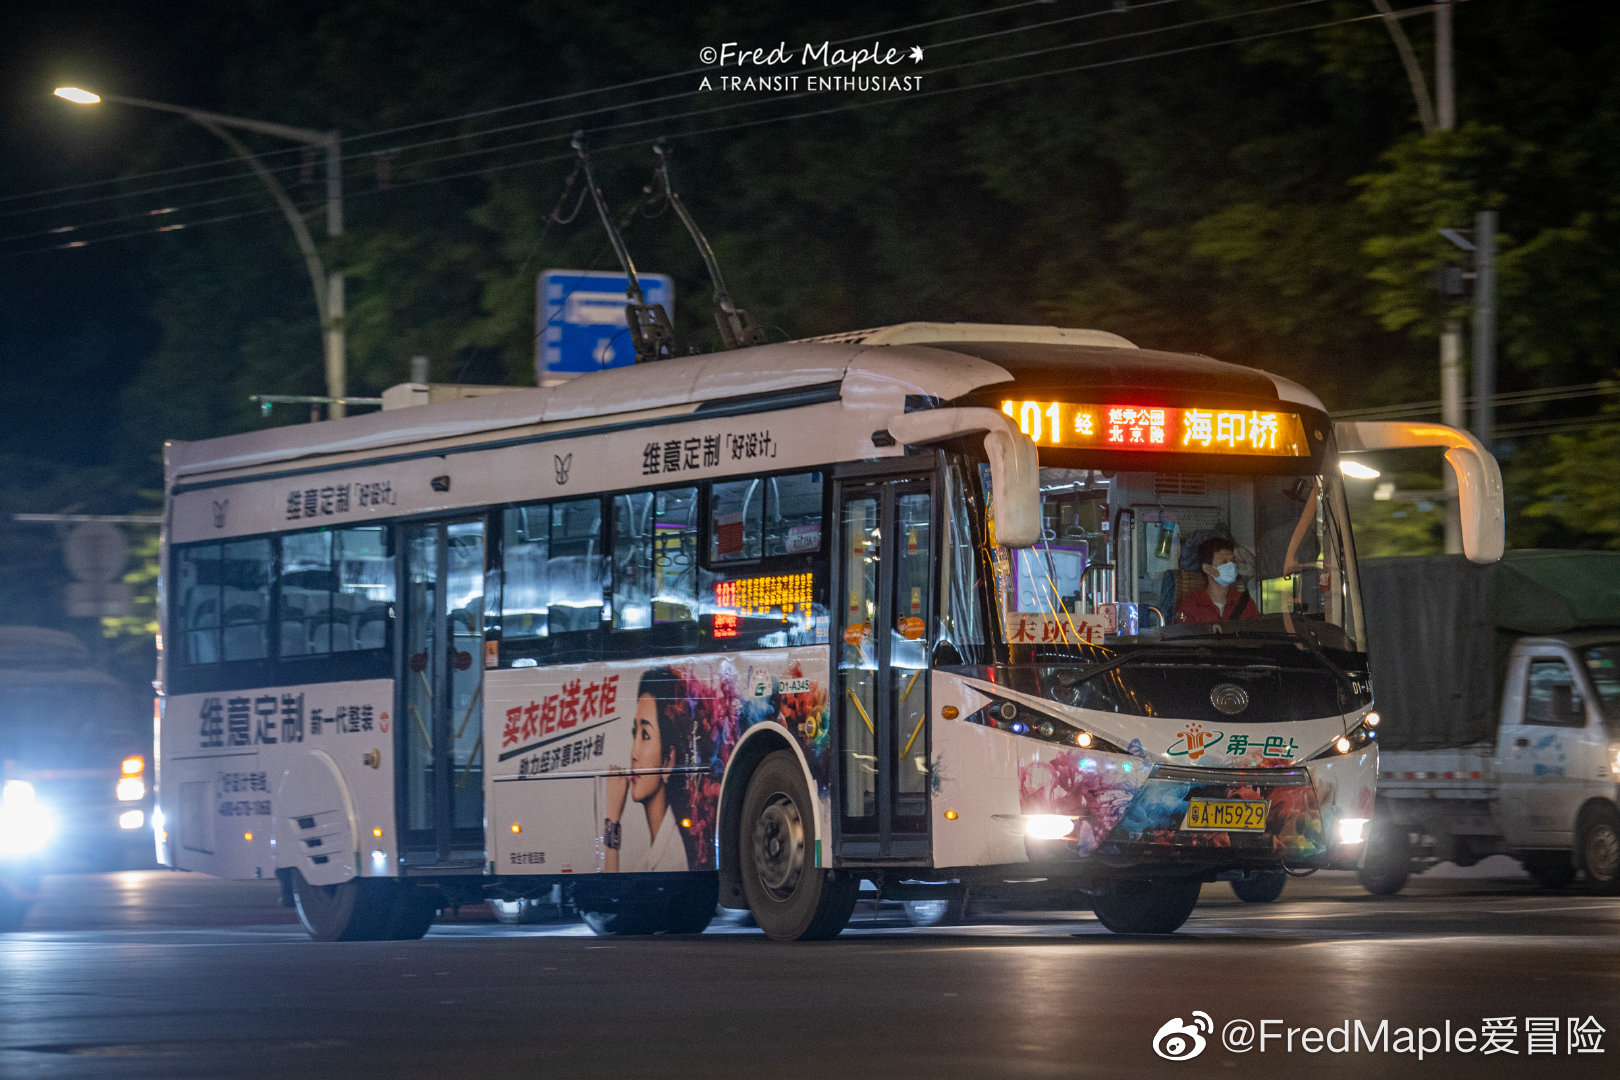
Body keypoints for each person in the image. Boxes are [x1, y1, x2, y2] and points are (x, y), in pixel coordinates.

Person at [603, 667, 691, 873]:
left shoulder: (674, 857)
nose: (633, 753)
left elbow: (611, 890)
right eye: (636, 733)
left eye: (645, 735)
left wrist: (612, 817)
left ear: (668, 761)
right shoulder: (651, 859)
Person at [1176, 535, 1260, 623]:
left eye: (1232, 561)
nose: (1231, 566)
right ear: (1207, 568)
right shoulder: (1191, 605)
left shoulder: (1245, 603)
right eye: (1224, 561)